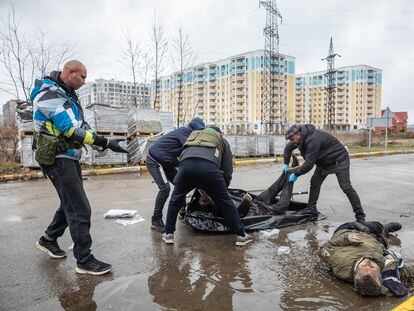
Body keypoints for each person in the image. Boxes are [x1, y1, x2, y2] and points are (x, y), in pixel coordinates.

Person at [32, 60, 128, 275]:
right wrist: (103, 142)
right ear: (69, 71)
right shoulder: (49, 94)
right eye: (82, 77)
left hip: (68, 156)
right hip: (57, 157)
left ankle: (48, 239)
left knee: (70, 204)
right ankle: (84, 261)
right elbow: (69, 129)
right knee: (80, 208)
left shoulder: (67, 94)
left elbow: (81, 125)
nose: (84, 81)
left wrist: (106, 142)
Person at [163, 126, 253, 246]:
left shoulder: (193, 138)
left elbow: (183, 156)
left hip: (185, 169)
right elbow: (227, 169)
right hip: (209, 170)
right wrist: (223, 189)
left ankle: (169, 234)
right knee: (225, 201)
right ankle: (242, 236)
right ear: (218, 133)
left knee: (175, 199)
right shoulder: (221, 140)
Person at [283, 124, 366, 222]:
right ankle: (311, 208)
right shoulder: (299, 138)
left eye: (292, 139)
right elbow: (288, 149)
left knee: (346, 187)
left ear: (298, 134)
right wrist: (286, 163)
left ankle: (360, 216)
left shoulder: (313, 140)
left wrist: (296, 174)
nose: (291, 141)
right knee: (315, 183)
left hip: (339, 160)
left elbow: (309, 164)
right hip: (324, 162)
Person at [319, 221, 414, 296]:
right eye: (373, 267)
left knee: (374, 226)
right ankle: (385, 230)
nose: (368, 262)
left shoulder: (340, 263)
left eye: (363, 266)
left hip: (350, 230)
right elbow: (407, 271)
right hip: (376, 243)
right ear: (380, 274)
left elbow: (324, 248)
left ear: (355, 273)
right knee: (383, 238)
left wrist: (346, 238)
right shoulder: (385, 272)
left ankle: (380, 227)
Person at [146, 117, 205, 232]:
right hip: (155, 160)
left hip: (166, 161)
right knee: (164, 189)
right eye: (200, 130)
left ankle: (182, 211)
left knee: (181, 183)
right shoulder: (187, 133)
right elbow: (190, 150)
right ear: (196, 129)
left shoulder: (188, 133)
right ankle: (156, 219)